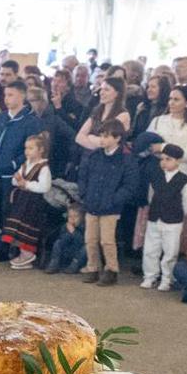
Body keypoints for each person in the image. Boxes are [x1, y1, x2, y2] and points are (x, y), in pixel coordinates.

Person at [0, 80, 42, 258]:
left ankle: (4, 249)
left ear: (22, 96)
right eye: (5, 95)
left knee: (7, 212)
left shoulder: (31, 121)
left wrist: (14, 165)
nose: (6, 99)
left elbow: (31, 150)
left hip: (13, 176)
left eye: (11, 95)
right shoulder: (1, 118)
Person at [77, 119, 139, 285]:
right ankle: (93, 268)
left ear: (117, 138)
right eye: (101, 136)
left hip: (111, 208)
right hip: (92, 203)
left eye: (106, 136)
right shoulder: (95, 155)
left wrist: (114, 200)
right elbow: (83, 175)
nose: (102, 140)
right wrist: (84, 194)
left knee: (107, 241)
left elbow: (130, 185)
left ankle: (111, 270)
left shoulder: (126, 159)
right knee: (90, 239)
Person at [141, 143, 187, 291]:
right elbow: (151, 196)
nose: (164, 162)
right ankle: (150, 276)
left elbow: (186, 202)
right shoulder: (155, 176)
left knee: (170, 251)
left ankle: (167, 278)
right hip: (155, 217)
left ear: (178, 161)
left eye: (168, 159)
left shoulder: (185, 180)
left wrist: (177, 214)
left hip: (173, 220)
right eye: (162, 159)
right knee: (150, 249)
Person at [1, 133, 54, 270]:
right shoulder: (25, 165)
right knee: (17, 225)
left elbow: (45, 187)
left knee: (27, 227)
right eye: (26, 148)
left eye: (31, 148)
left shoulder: (44, 168)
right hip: (21, 200)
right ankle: (22, 252)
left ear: (41, 150)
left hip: (33, 203)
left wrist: (27, 184)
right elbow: (15, 180)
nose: (27, 151)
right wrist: (17, 180)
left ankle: (28, 253)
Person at [74, 76, 131, 158]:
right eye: (101, 89)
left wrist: (90, 137)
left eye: (106, 90)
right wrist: (97, 143)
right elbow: (79, 137)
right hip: (89, 157)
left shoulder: (123, 115)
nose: (101, 92)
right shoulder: (97, 110)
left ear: (117, 94)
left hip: (109, 160)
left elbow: (107, 142)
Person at [45, 204, 87, 274]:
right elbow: (62, 239)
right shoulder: (65, 226)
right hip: (67, 251)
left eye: (76, 216)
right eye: (70, 216)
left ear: (82, 217)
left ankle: (74, 266)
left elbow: (81, 242)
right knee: (58, 243)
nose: (72, 219)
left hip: (78, 253)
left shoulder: (84, 227)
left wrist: (73, 232)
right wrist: (69, 233)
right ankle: (54, 263)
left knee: (86, 248)